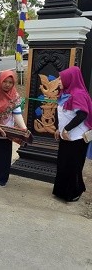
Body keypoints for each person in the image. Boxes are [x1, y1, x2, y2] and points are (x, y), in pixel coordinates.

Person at [53, 66, 92, 202]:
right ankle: (61, 191)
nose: (58, 81)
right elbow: (62, 113)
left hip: (76, 138)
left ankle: (74, 191)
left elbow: (82, 114)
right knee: (63, 164)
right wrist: (59, 129)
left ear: (70, 79)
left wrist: (66, 129)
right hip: (66, 136)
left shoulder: (78, 94)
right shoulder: (65, 93)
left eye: (61, 78)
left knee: (73, 166)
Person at [0, 70, 26, 187]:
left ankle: (2, 178)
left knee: (3, 156)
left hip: (6, 131)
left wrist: (23, 128)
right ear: (0, 80)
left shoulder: (14, 95)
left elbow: (17, 113)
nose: (7, 84)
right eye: (5, 81)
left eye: (10, 82)